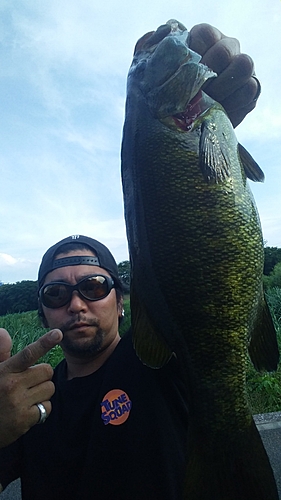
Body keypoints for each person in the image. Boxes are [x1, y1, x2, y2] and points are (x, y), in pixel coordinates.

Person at [0, 22, 261, 499]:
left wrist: (206, 132)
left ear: (123, 301)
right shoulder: (25, 404)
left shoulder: (168, 367)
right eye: (56, 293)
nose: (76, 303)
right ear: (41, 311)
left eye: (94, 286)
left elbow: (182, 251)